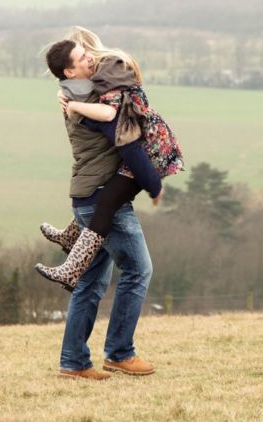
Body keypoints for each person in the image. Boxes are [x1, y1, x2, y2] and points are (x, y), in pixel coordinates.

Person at [42, 32, 167, 380]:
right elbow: (117, 123)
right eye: (82, 58)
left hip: (88, 198)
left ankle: (73, 362)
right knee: (139, 271)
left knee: (91, 285)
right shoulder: (85, 100)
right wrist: (153, 184)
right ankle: (119, 352)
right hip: (100, 198)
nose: (90, 60)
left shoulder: (76, 91)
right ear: (69, 73)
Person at [36, 28, 183, 292]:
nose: (91, 64)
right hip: (145, 148)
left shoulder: (116, 99)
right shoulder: (111, 83)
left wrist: (153, 185)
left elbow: (119, 131)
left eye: (89, 58)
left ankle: (71, 267)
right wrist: (65, 94)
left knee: (107, 202)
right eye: (84, 58)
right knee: (106, 201)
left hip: (151, 152)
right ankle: (71, 241)